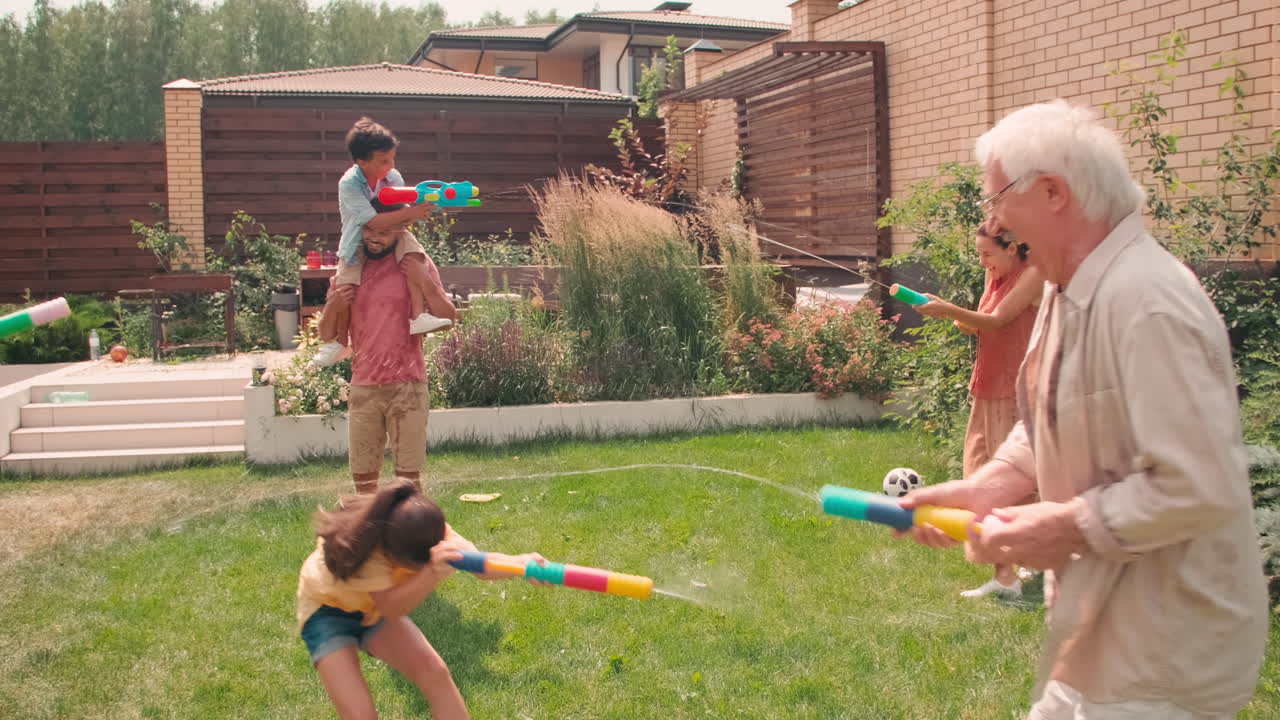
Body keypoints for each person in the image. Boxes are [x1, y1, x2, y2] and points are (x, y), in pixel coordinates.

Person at [900, 100, 1267, 718]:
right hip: (1096, 636)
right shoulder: (1066, 284)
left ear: (1052, 192)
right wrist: (992, 483)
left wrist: (1059, 526)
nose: (993, 218)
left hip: (1166, 657)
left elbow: (1198, 485)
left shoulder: (1148, 302)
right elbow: (1052, 411)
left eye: (997, 198)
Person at [296, 480, 543, 720]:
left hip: (373, 608)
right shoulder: (369, 549)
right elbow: (390, 608)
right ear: (394, 557)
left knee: (434, 673)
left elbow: (480, 566)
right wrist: (430, 573)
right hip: (326, 612)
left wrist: (523, 564)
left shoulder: (430, 531)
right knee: (361, 715)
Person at [916, 225, 1043, 598]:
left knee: (1006, 484)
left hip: (1015, 389)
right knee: (978, 473)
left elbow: (999, 319)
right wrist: (948, 312)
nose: (983, 262)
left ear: (1013, 248)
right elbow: (975, 323)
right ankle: (1017, 564)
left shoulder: (1034, 273)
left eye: (988, 253)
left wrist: (949, 310)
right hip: (987, 385)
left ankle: (1010, 575)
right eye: (979, 254)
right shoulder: (994, 274)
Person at [312, 116, 456, 368]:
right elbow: (373, 221)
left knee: (413, 255)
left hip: (394, 229)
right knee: (345, 288)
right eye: (384, 161)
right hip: (355, 242)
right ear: (362, 162)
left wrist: (420, 209)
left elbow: (398, 212)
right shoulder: (349, 184)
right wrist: (413, 212)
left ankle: (419, 316)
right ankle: (339, 341)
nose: (391, 166)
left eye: (393, 159)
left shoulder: (393, 177)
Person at [330, 205, 454, 494]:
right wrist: (333, 306)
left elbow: (448, 318)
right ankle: (370, 524)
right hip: (364, 386)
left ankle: (407, 524)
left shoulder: (414, 260)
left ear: (401, 229)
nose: (374, 237)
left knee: (408, 482)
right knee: (364, 483)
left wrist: (424, 280)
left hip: (408, 385)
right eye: (369, 229)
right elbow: (333, 329)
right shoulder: (351, 266)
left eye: (384, 231)